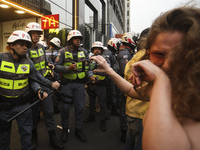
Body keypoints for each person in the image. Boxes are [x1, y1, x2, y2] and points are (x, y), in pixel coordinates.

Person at [90, 6, 200, 150]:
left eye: (180, 55)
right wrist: (109, 70)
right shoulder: (169, 87)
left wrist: (161, 79)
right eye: (159, 54)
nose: (167, 65)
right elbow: (131, 90)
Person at [0, 30, 48, 150]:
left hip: (23, 106)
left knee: (26, 136)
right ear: (11, 45)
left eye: (26, 45)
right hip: (4, 107)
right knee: (3, 138)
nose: (25, 48)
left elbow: (33, 80)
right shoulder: (1, 58)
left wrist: (38, 90)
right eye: (21, 44)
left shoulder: (28, 62)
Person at [25, 22, 63, 150]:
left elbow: (46, 61)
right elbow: (32, 75)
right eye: (34, 33)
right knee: (34, 115)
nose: (36, 35)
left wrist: (50, 65)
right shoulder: (26, 50)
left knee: (49, 112)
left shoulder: (41, 47)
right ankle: (33, 138)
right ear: (28, 34)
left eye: (38, 33)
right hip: (32, 88)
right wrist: (49, 84)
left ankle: (52, 139)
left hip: (45, 84)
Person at [54, 30, 94, 143]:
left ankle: (78, 130)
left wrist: (90, 76)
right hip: (67, 85)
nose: (78, 40)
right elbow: (56, 67)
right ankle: (64, 130)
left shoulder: (85, 52)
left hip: (80, 85)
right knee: (65, 109)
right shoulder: (62, 51)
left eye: (79, 38)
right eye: (76, 38)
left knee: (80, 108)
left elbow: (88, 68)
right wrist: (68, 69)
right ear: (70, 40)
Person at [124, 28, 150, 150]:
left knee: (129, 142)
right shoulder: (150, 59)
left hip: (131, 109)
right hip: (143, 113)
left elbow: (126, 83)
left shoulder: (134, 58)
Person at [84, 41, 108, 132]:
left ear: (101, 50)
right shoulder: (90, 59)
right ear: (93, 50)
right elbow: (86, 70)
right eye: (95, 49)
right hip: (91, 84)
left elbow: (107, 70)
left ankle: (103, 121)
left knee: (102, 104)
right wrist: (86, 83)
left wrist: (95, 72)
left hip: (101, 85)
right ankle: (91, 116)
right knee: (91, 102)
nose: (97, 51)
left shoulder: (105, 59)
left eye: (99, 49)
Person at [117, 32, 137, 143]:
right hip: (125, 84)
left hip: (123, 84)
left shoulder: (125, 52)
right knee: (124, 108)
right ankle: (124, 132)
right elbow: (127, 71)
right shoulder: (125, 53)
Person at [104, 38, 120, 116]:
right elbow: (107, 65)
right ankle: (112, 109)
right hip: (109, 77)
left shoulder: (111, 53)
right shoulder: (107, 53)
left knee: (112, 93)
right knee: (111, 93)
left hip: (111, 76)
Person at [46, 37, 62, 114]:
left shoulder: (45, 52)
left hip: (47, 73)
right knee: (56, 90)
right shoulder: (59, 53)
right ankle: (55, 107)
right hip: (56, 73)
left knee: (49, 89)